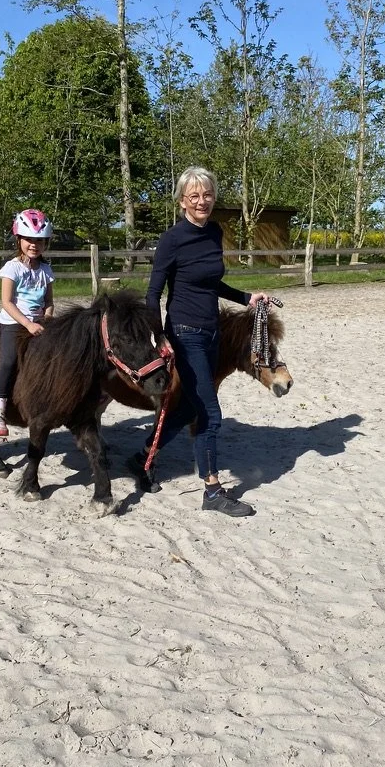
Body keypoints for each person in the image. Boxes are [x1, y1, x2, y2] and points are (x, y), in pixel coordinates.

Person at [134, 166, 269, 517]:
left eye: (207, 195)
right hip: (184, 332)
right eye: (194, 196)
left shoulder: (214, 232)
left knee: (190, 408)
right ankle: (212, 490)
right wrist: (159, 335)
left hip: (211, 333)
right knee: (210, 412)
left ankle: (145, 454)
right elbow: (153, 293)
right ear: (182, 201)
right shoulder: (172, 240)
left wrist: (246, 298)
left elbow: (211, 282)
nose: (201, 201)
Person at [0, 208, 55, 437]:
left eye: (39, 240)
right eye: (29, 240)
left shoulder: (46, 270)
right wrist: (28, 324)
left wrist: (47, 319)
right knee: (8, 361)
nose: (34, 245)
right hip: (14, 323)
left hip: (39, 323)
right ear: (19, 240)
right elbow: (7, 302)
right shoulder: (12, 268)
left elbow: (49, 301)